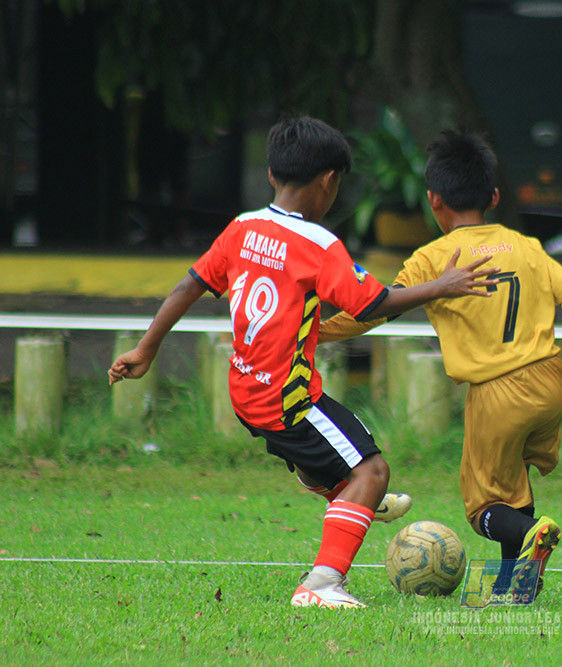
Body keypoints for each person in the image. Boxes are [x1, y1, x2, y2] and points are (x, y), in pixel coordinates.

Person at [108, 116, 500, 608]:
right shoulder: (318, 246)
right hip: (288, 400)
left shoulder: (242, 227)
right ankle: (322, 583)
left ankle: (326, 479)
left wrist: (146, 349)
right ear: (329, 181)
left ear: (272, 175)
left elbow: (188, 285)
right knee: (372, 470)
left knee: (344, 458)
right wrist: (441, 286)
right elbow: (371, 304)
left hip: (245, 391)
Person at [318, 129, 562, 596]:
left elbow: (374, 310)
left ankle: (529, 534)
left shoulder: (432, 258)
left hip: (497, 391)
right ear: (495, 196)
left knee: (483, 506)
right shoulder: (527, 247)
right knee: (512, 481)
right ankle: (515, 585)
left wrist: (314, 332)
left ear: (433, 200)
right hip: (549, 380)